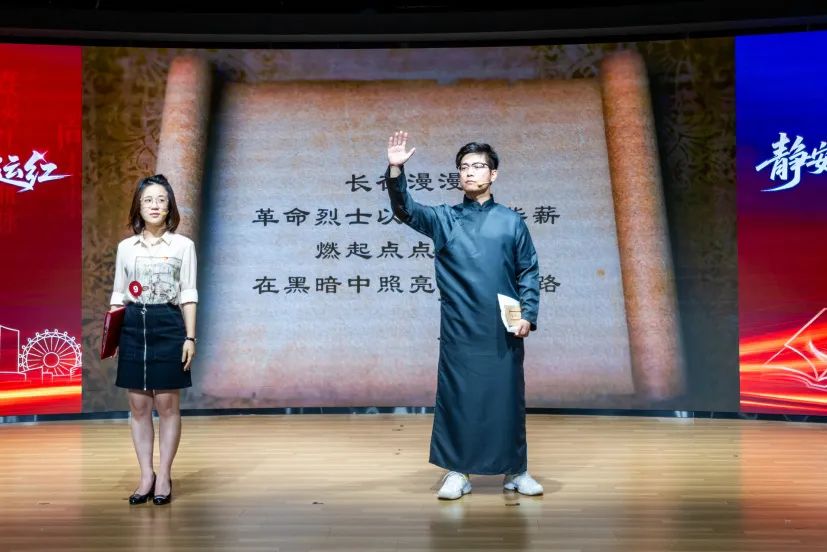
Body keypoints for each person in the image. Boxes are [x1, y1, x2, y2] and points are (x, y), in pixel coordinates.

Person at [385, 131, 543, 499]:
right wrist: (395, 170)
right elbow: (405, 209)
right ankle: (458, 471)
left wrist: (528, 314)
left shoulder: (511, 221)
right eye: (464, 167)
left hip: (503, 326)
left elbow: (528, 271)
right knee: (459, 398)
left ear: (493, 174)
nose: (469, 172)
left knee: (506, 399)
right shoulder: (444, 218)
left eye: (477, 166)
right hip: (459, 327)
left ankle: (516, 471)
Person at [109, 174, 198, 505]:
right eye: (148, 200)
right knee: (138, 405)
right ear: (139, 206)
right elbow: (119, 294)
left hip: (168, 324)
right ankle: (145, 475)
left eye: (161, 200)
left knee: (167, 405)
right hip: (133, 325)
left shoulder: (183, 246)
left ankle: (163, 475)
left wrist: (190, 337)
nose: (155, 205)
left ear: (170, 206)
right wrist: (112, 335)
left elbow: (188, 294)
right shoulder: (126, 248)